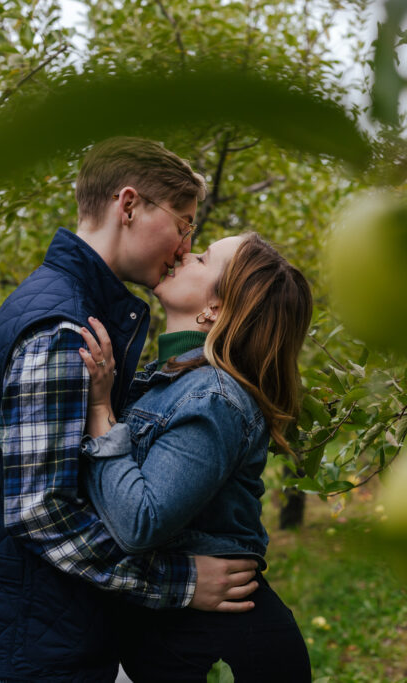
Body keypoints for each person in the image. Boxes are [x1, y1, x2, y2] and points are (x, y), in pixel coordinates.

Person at [0, 138, 260, 683]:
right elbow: (43, 511)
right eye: (183, 223)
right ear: (128, 207)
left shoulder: (79, 312)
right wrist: (180, 583)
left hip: (27, 636)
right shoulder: (63, 330)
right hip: (25, 654)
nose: (184, 246)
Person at [77, 232, 314, 682]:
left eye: (202, 258)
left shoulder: (214, 397)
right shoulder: (166, 381)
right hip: (176, 639)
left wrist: (99, 413)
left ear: (215, 310)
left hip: (222, 649)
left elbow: (138, 521)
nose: (185, 253)